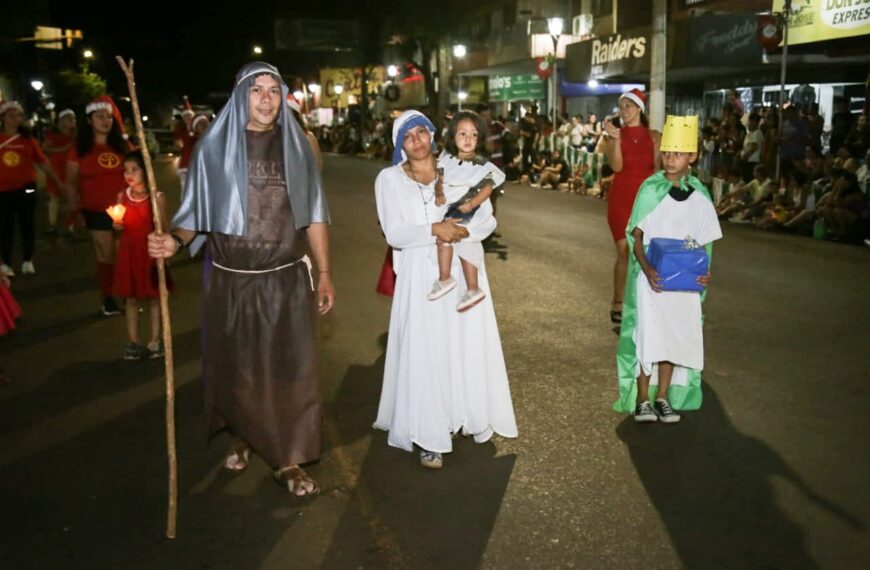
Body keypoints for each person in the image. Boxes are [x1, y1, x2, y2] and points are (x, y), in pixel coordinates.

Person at [147, 62, 333, 496]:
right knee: (239, 368)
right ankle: (245, 433)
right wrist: (173, 240)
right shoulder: (215, 148)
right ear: (240, 95)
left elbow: (316, 215)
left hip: (285, 278)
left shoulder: (300, 146)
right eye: (257, 90)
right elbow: (195, 215)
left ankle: (287, 459)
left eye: (273, 90)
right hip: (230, 280)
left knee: (291, 370)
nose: (266, 99)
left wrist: (324, 272)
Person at [373, 110, 517, 469]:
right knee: (427, 353)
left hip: (463, 273)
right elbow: (394, 233)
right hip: (420, 280)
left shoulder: (456, 167)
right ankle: (428, 433)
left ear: (434, 135)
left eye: (422, 133)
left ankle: (460, 416)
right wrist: (435, 230)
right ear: (399, 145)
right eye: (409, 137)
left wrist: (466, 232)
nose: (418, 141)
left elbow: (488, 218)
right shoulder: (389, 179)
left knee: (461, 348)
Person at [615, 115, 722, 423]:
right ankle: (643, 399)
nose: (670, 159)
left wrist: (705, 273)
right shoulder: (650, 190)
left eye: (677, 153)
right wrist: (647, 269)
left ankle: (662, 397)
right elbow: (636, 237)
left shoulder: (700, 197)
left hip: (684, 284)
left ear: (692, 156)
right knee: (649, 337)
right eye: (666, 152)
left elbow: (704, 247)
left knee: (673, 338)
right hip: (654, 280)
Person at [428, 111, 504, 311]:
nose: (468, 139)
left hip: (469, 208)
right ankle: (455, 281)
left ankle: (459, 283)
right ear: (452, 136)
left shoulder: (481, 164)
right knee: (451, 241)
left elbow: (488, 187)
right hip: (453, 207)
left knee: (452, 240)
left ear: (480, 139)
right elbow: (439, 180)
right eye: (462, 134)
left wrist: (471, 204)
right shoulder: (446, 161)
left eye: (474, 135)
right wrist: (438, 194)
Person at [66, 95, 130, 315]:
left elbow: (138, 172)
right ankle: (109, 298)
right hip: (95, 211)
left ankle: (126, 295)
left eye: (108, 117)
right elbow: (71, 183)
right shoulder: (80, 149)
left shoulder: (122, 145)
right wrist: (75, 212)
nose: (105, 120)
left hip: (125, 210)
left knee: (124, 254)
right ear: (90, 120)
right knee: (106, 255)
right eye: (99, 116)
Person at [603, 89, 660, 325]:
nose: (624, 111)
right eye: (622, 106)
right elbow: (616, 167)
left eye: (629, 106)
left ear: (639, 109)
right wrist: (615, 138)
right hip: (621, 198)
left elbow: (658, 170)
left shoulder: (655, 136)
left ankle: (643, 301)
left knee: (644, 251)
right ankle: (617, 300)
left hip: (645, 199)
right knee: (624, 251)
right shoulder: (615, 136)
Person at [112, 152, 169, 360]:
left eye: (134, 169)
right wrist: (117, 225)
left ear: (145, 171)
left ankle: (155, 340)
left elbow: (164, 225)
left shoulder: (157, 197)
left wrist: (160, 229)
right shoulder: (122, 196)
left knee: (154, 298)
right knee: (131, 299)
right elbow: (120, 225)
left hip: (150, 254)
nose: (129, 174)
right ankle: (134, 341)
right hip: (129, 253)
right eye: (126, 170)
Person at [0, 100, 66, 277]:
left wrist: (58, 181)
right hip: (3, 190)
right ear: (3, 118)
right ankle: (5, 263)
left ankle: (27, 260)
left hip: (27, 188)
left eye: (19, 115)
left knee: (27, 224)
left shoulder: (28, 140)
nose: (16, 118)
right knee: (6, 227)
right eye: (11, 115)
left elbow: (43, 161)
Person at [42, 109, 77, 236]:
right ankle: (52, 226)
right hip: (56, 170)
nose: (72, 122)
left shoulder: (75, 136)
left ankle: (70, 226)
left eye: (73, 119)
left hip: (71, 170)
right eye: (69, 119)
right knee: (54, 198)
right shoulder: (53, 135)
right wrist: (63, 148)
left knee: (71, 198)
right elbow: (45, 149)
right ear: (62, 121)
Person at [739, 113, 763, 183]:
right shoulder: (749, 134)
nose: (750, 123)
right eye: (750, 121)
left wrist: (746, 156)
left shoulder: (757, 133)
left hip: (752, 162)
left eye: (752, 122)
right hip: (747, 162)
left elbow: (754, 147)